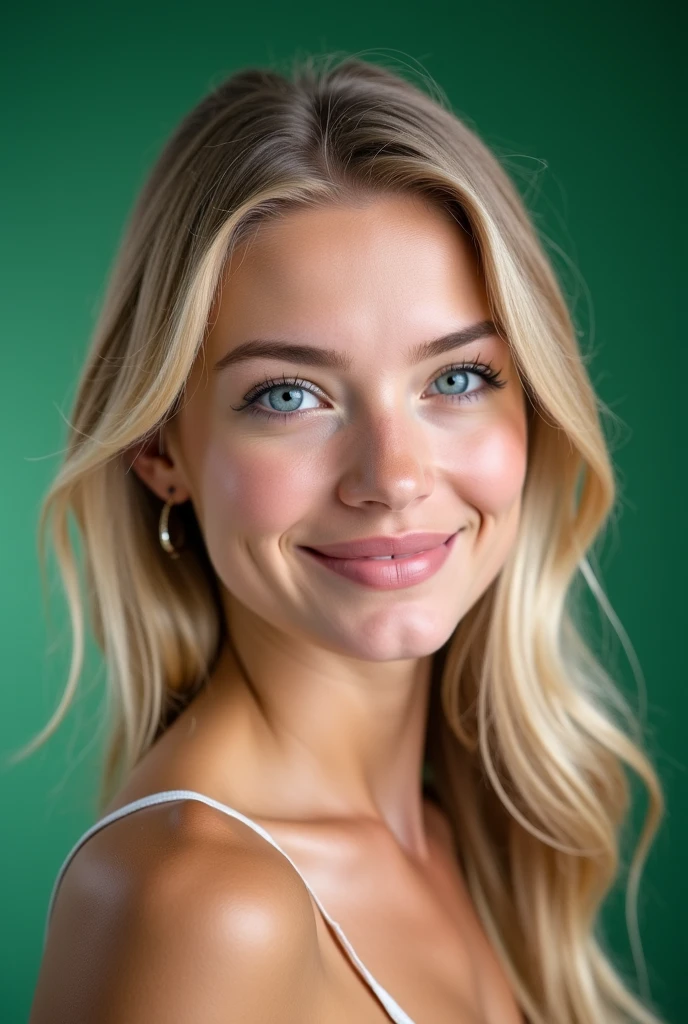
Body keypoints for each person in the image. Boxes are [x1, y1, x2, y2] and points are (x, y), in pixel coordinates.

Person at [24, 54, 665, 1024]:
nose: (394, 476)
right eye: (290, 394)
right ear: (161, 449)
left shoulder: (476, 842)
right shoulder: (200, 905)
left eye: (455, 378)